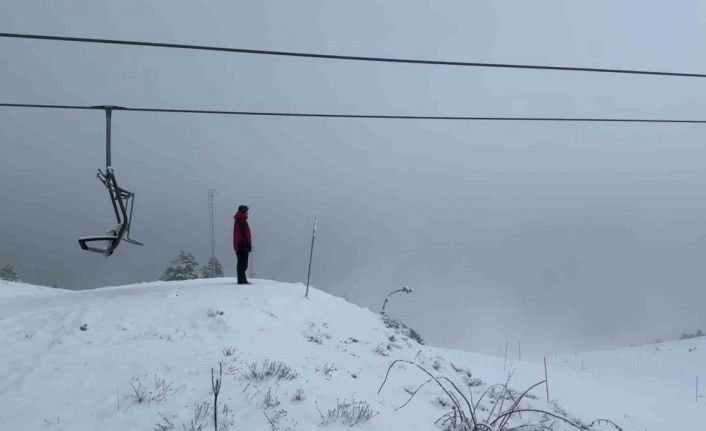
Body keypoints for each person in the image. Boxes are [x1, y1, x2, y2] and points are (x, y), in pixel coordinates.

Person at [233, 205, 252, 284]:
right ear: (243, 211)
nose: (247, 213)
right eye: (246, 211)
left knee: (243, 264)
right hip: (242, 246)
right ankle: (241, 281)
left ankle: (242, 280)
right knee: (242, 264)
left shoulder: (241, 220)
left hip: (241, 245)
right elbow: (243, 235)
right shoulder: (240, 221)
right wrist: (246, 245)